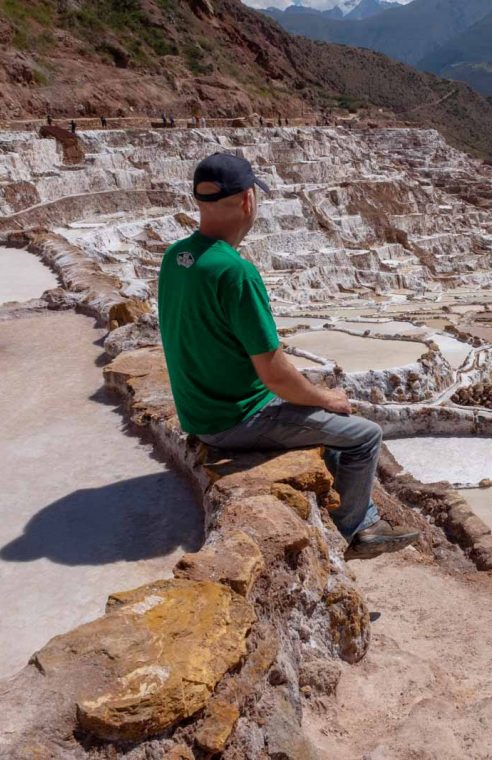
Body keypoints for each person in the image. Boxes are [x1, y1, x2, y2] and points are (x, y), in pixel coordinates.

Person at [157, 153, 420, 559]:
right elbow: (274, 372)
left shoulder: (176, 258)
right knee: (365, 436)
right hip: (235, 420)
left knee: (327, 421)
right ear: (248, 200)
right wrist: (324, 397)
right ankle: (356, 527)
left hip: (199, 411)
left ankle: (345, 508)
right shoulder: (235, 273)